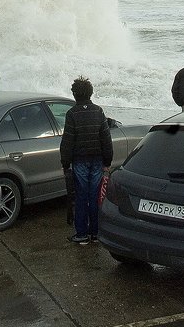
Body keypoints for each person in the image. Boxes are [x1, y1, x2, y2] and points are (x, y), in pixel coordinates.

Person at [59, 76, 112, 244]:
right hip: (97, 160)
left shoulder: (72, 114)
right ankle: (95, 234)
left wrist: (65, 164)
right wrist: (108, 162)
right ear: (90, 93)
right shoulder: (98, 111)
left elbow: (67, 141)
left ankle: (81, 234)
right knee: (95, 196)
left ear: (75, 94)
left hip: (80, 161)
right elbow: (106, 138)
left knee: (81, 197)